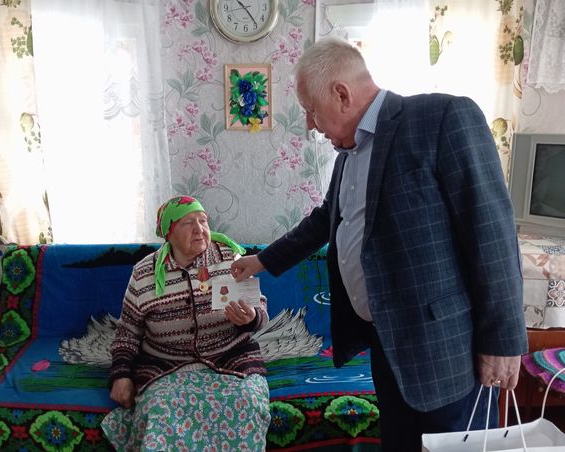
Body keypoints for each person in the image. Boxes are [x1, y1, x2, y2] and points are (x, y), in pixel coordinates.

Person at [231, 37, 528, 451]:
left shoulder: (441, 119)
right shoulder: (347, 155)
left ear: (341, 94)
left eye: (311, 110)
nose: (310, 124)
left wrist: (502, 341)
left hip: (446, 352)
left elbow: (492, 231)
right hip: (387, 345)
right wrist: (261, 261)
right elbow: (325, 219)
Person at [102, 195, 270, 451]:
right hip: (166, 366)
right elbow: (128, 333)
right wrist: (121, 374)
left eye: (203, 221)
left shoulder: (229, 258)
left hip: (230, 361)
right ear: (169, 233)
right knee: (160, 409)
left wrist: (252, 318)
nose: (200, 229)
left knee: (246, 402)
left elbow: (260, 311)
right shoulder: (144, 273)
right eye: (188, 223)